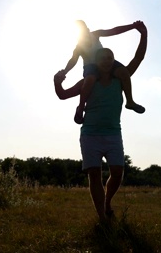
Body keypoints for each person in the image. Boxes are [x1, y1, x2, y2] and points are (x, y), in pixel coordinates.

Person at [53, 22, 147, 223]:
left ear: (113, 61)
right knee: (94, 175)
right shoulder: (84, 60)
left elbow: (134, 53)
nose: (107, 61)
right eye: (103, 58)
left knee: (117, 172)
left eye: (110, 58)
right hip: (90, 134)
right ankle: (102, 217)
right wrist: (58, 79)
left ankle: (107, 202)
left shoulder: (118, 77)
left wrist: (138, 31)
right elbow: (62, 92)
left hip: (113, 134)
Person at [58, 20, 145, 124]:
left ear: (87, 30)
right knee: (90, 80)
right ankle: (81, 108)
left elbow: (113, 31)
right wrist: (65, 71)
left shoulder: (95, 34)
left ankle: (130, 101)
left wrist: (132, 26)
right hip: (90, 67)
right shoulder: (79, 47)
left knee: (124, 72)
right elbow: (73, 60)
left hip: (105, 61)